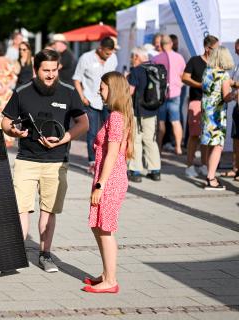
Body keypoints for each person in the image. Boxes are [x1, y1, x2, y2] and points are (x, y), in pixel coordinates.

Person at [1, 49, 89, 273]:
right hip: (26, 160)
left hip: (56, 161)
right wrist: (14, 132)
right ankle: (14, 255)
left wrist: (63, 139)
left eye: (54, 70)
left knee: (48, 211)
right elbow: (6, 121)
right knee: (21, 209)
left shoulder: (68, 92)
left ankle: (45, 254)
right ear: (36, 69)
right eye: (46, 70)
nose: (51, 74)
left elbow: (83, 123)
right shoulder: (22, 92)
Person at [82, 71, 134, 294]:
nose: (99, 91)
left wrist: (100, 185)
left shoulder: (116, 117)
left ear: (113, 89)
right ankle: (106, 272)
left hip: (110, 179)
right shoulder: (118, 114)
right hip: (109, 176)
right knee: (97, 225)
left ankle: (111, 280)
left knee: (105, 229)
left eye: (102, 87)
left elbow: (112, 153)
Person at [73, 37, 117, 174]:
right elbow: (76, 79)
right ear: (100, 49)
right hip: (91, 100)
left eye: (111, 53)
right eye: (106, 53)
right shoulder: (86, 58)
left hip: (108, 101)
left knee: (109, 132)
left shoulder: (113, 58)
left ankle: (106, 159)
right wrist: (82, 97)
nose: (109, 56)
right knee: (92, 132)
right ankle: (92, 161)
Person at [182, 35, 219, 178]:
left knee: (207, 136)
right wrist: (200, 85)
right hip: (196, 101)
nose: (217, 52)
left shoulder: (216, 63)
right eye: (215, 49)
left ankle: (204, 164)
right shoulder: (194, 61)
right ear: (207, 48)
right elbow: (184, 78)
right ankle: (189, 166)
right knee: (194, 135)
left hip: (212, 104)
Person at [201, 46, 235, 190]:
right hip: (217, 115)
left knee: (211, 144)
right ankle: (211, 178)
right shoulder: (224, 75)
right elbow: (226, 97)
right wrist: (235, 95)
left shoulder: (207, 72)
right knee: (218, 146)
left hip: (207, 112)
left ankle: (210, 174)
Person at [127, 47, 161, 182]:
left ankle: (135, 171)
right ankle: (155, 170)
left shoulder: (136, 71)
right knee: (150, 140)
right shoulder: (156, 69)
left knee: (135, 140)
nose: (131, 60)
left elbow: (130, 91)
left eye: (132, 57)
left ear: (137, 57)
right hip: (152, 110)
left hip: (138, 111)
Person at [152, 35, 186, 155]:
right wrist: (179, 85)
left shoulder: (156, 58)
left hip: (161, 93)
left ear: (161, 45)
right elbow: (184, 76)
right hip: (175, 92)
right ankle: (178, 147)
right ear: (171, 44)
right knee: (175, 121)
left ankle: (159, 148)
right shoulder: (179, 57)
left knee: (161, 122)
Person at [225, 39, 239, 181]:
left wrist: (233, 83)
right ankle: (236, 168)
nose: (235, 51)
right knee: (235, 138)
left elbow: (235, 83)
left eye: (237, 48)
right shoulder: (237, 65)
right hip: (237, 105)